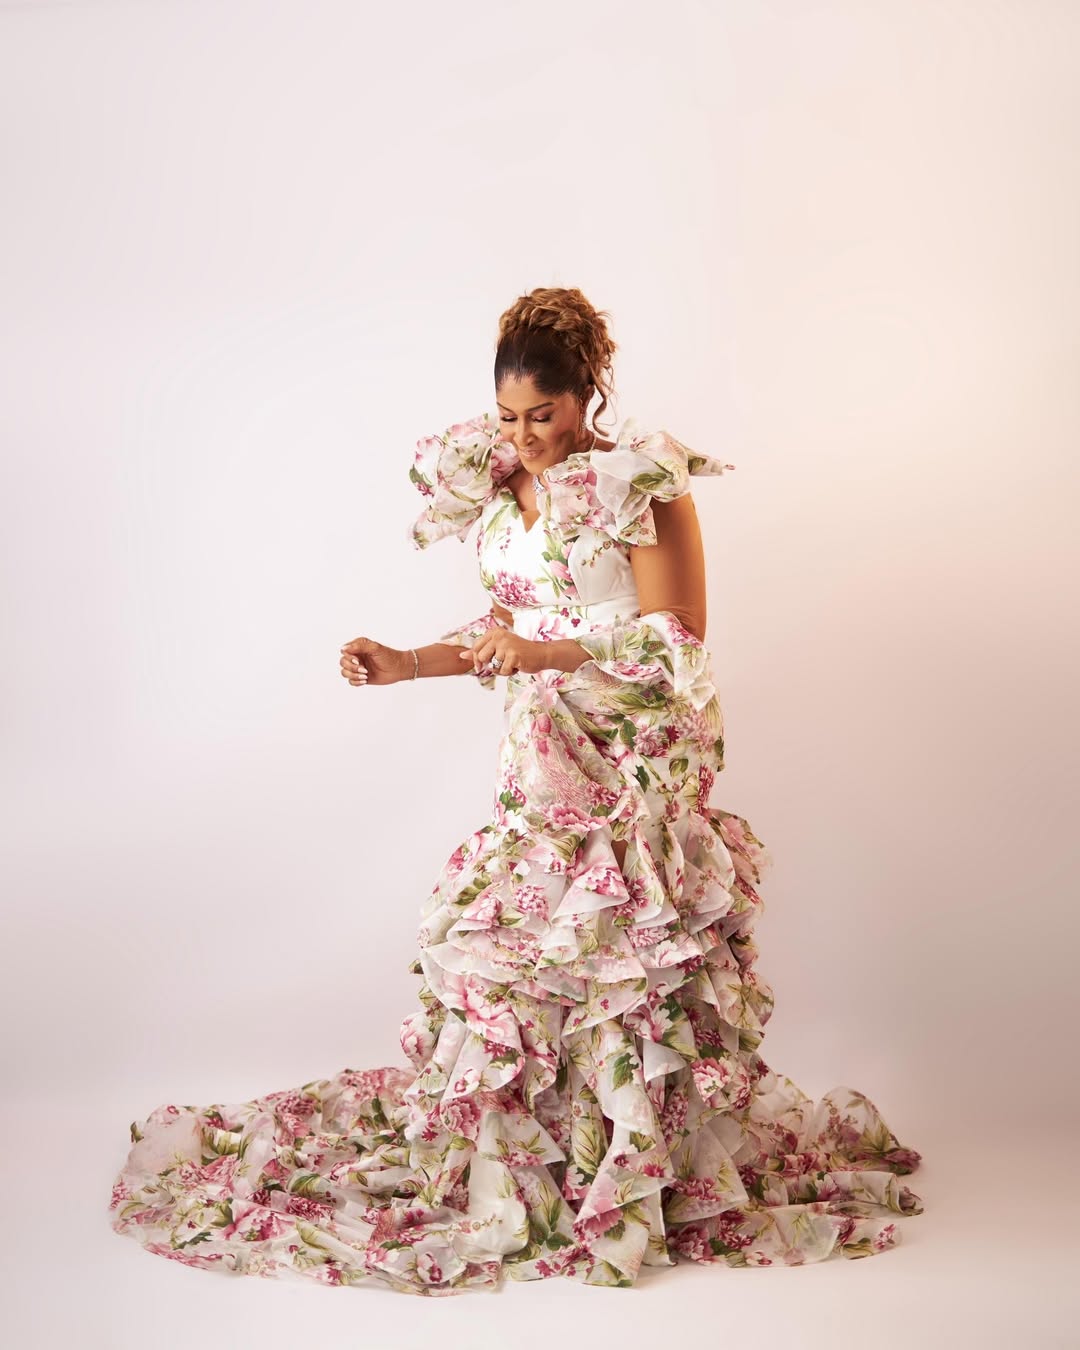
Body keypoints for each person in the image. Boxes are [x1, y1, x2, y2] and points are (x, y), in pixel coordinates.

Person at [107, 286, 924, 1296]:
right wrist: (411, 660)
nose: (524, 435)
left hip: (631, 755)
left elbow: (680, 638)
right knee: (523, 961)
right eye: (507, 417)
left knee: (627, 963)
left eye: (543, 415)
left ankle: (638, 1178)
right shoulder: (502, 489)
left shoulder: (643, 486)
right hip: (543, 757)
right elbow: (502, 620)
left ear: (586, 397)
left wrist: (536, 649)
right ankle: (542, 1170)